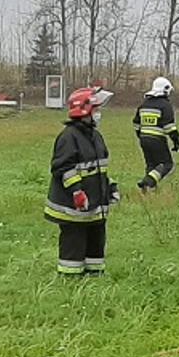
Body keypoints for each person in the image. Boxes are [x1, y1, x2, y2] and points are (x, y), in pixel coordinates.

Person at [48, 86, 117, 276]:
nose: (99, 114)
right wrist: (77, 192)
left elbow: (98, 168)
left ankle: (94, 278)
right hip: (73, 208)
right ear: (84, 110)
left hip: (95, 205)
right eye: (96, 109)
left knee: (96, 242)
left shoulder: (95, 136)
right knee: (74, 244)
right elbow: (62, 168)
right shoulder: (68, 137)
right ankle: (69, 280)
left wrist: (109, 187)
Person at [133, 77, 179, 192]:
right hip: (157, 139)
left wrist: (141, 135)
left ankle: (148, 189)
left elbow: (136, 123)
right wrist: (176, 141)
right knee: (167, 164)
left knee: (151, 164)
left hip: (144, 139)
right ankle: (148, 181)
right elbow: (169, 126)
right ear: (166, 90)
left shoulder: (144, 104)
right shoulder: (165, 105)